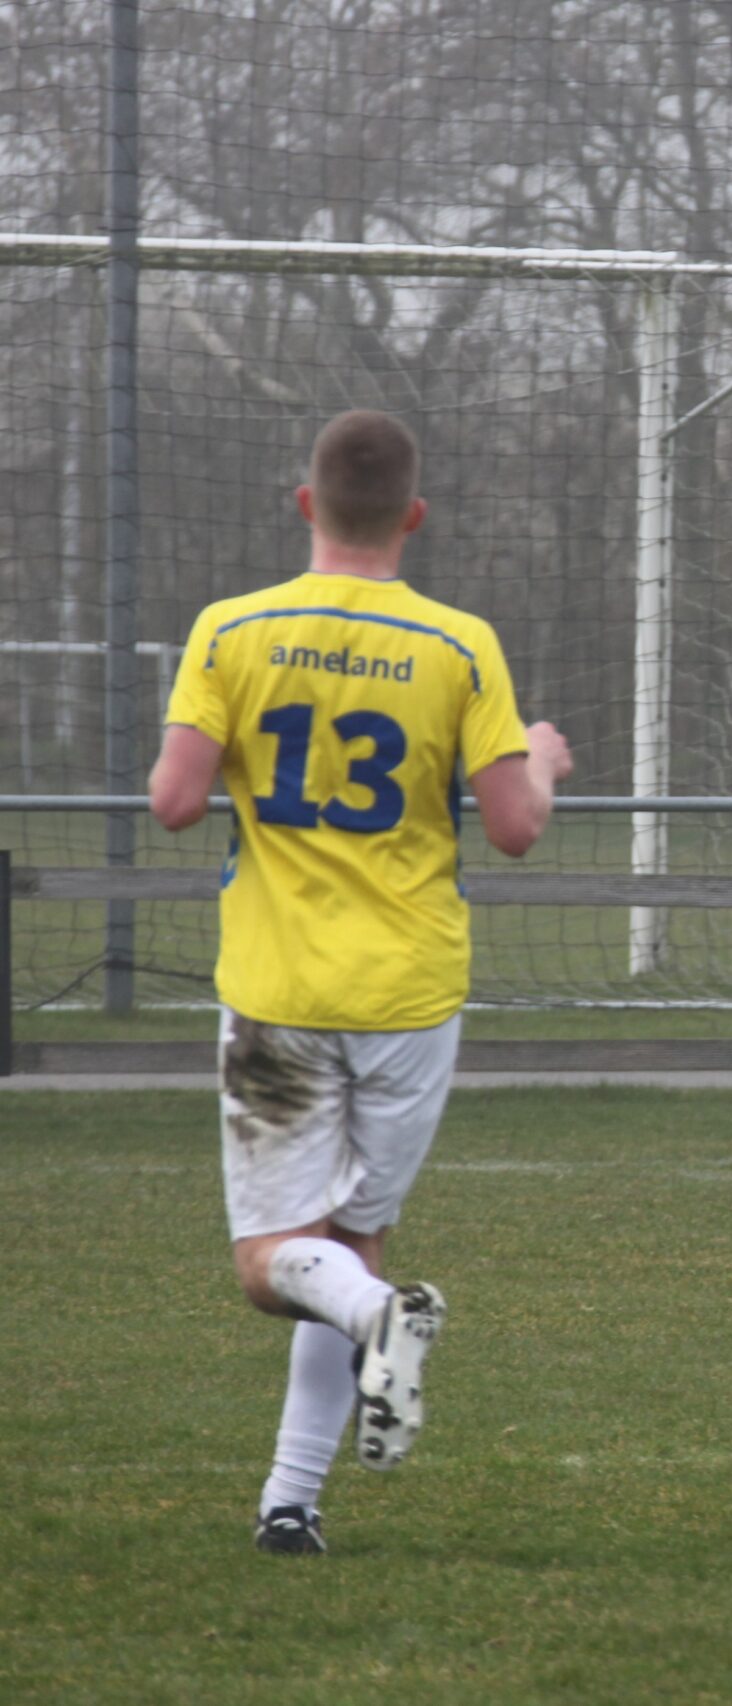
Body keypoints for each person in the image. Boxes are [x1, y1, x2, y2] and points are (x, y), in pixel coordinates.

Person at [148, 410, 574, 1555]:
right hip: (411, 990)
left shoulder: (230, 629)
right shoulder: (459, 643)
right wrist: (540, 750)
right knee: (349, 1247)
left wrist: (230, 743)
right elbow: (518, 827)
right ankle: (290, 1502)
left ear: (305, 504)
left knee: (270, 1266)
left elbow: (176, 801)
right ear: (414, 518)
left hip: (280, 985)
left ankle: (372, 1341)